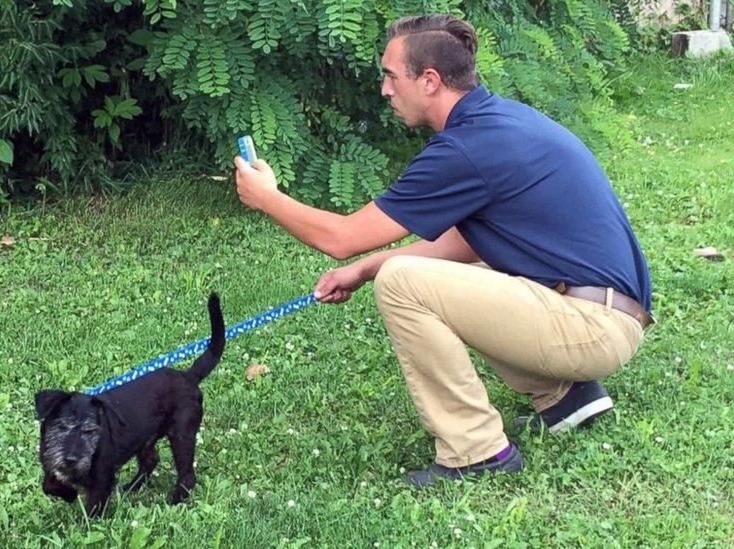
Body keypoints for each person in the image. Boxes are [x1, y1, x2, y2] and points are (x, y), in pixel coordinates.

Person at [232, 13, 652, 488]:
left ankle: (475, 451)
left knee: (403, 282)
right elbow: (469, 239)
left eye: (391, 76)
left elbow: (340, 237)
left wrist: (268, 199)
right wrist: (365, 270)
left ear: (429, 81)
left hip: (594, 329)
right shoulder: (497, 122)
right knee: (415, 270)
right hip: (606, 314)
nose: (384, 90)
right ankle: (567, 397)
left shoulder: (467, 148)